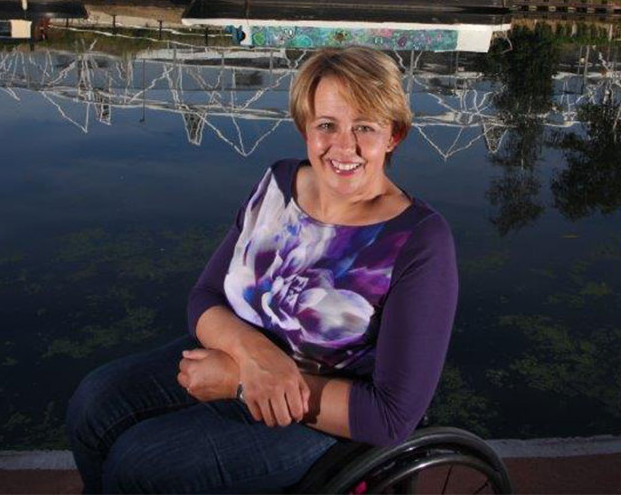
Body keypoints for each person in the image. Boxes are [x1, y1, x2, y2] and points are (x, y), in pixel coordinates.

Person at [67, 46, 458, 493]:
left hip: (318, 415)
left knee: (142, 464)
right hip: (238, 355)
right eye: (326, 125)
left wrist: (238, 381)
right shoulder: (278, 183)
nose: (343, 146)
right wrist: (254, 356)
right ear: (304, 128)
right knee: (93, 404)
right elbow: (206, 297)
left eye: (364, 128)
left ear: (394, 136)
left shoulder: (420, 240)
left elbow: (390, 416)